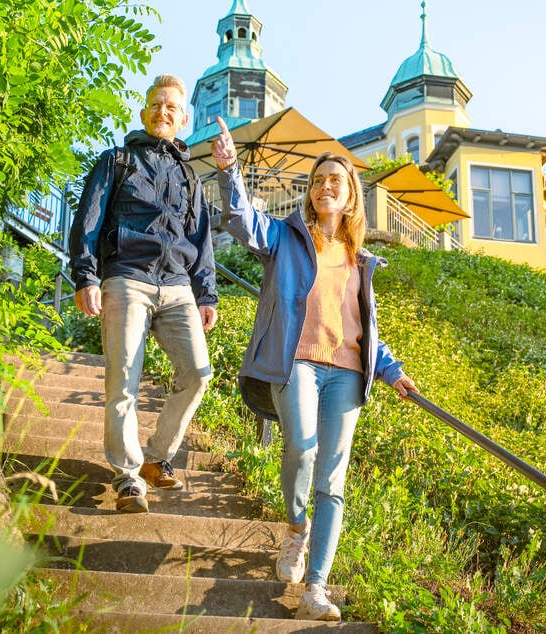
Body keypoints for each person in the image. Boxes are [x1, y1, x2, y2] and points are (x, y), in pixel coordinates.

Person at [210, 116, 419, 621]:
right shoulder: (283, 238)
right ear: (310, 193)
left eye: (336, 181)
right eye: (318, 179)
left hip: (346, 373)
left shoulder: (360, 260)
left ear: (350, 196)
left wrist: (392, 371)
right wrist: (228, 169)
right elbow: (241, 220)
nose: (326, 186)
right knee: (301, 449)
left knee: (334, 478)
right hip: (296, 363)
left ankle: (317, 588)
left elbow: (362, 327)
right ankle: (297, 528)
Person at [69, 74, 219, 514]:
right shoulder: (116, 161)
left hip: (176, 286)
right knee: (124, 379)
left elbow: (202, 238)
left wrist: (205, 292)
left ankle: (156, 456)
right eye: (156, 105)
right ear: (143, 113)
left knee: (198, 374)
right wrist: (86, 276)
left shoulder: (191, 177)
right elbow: (88, 220)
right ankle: (128, 476)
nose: (163, 112)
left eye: (172, 107)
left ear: (183, 119)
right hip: (126, 278)